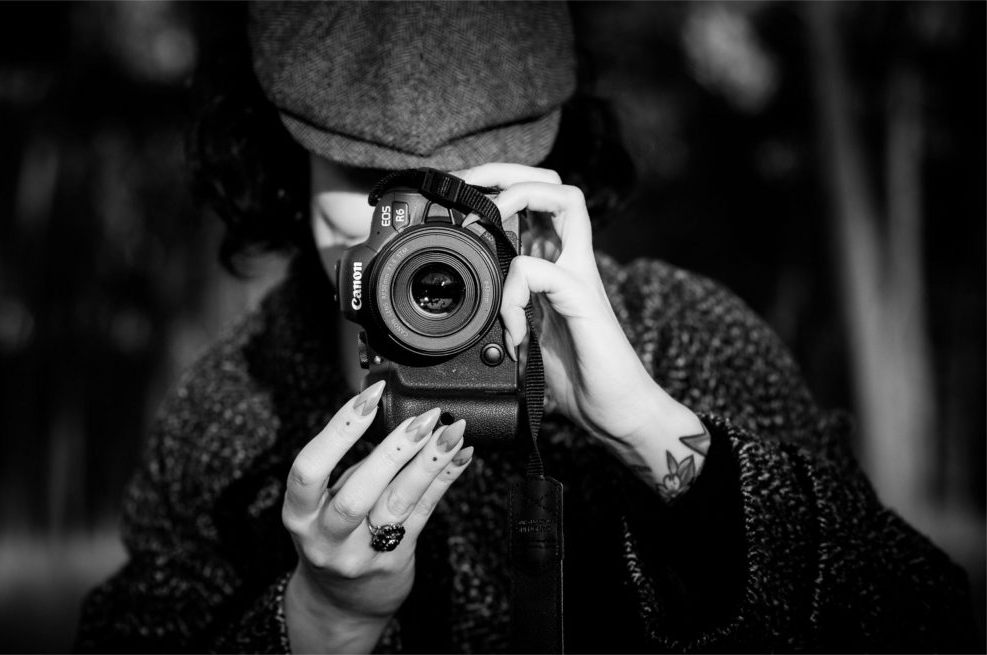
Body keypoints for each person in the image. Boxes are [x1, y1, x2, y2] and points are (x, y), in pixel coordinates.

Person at [76, 2, 977, 653]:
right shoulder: (232, 409)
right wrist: (321, 620)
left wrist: (652, 435)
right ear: (287, 160)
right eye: (368, 179)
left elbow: (925, 625)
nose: (418, 234)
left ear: (547, 168)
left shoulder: (677, 338)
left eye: (465, 187)